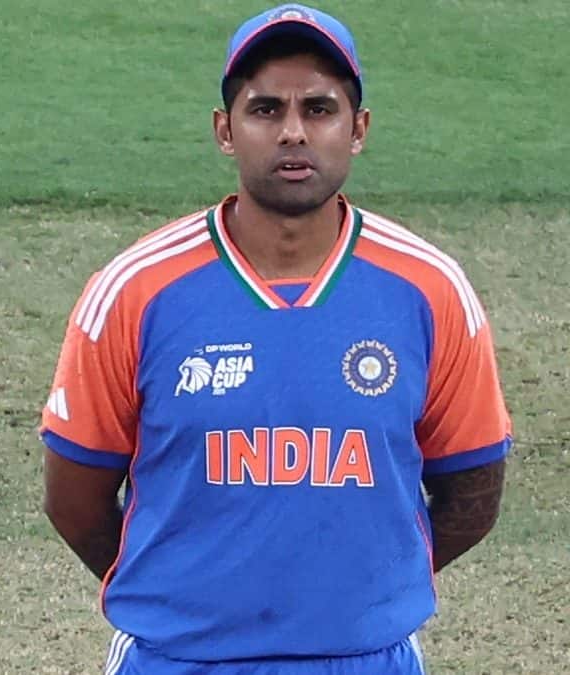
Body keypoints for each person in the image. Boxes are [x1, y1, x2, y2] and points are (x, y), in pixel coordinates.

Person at [38, 4, 512, 674]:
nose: (293, 132)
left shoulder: (430, 288)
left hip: (365, 660)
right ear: (224, 130)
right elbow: (74, 499)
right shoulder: (134, 289)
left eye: (319, 109)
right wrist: (186, 600)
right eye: (265, 109)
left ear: (358, 130)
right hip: (179, 660)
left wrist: (358, 594)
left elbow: (474, 492)